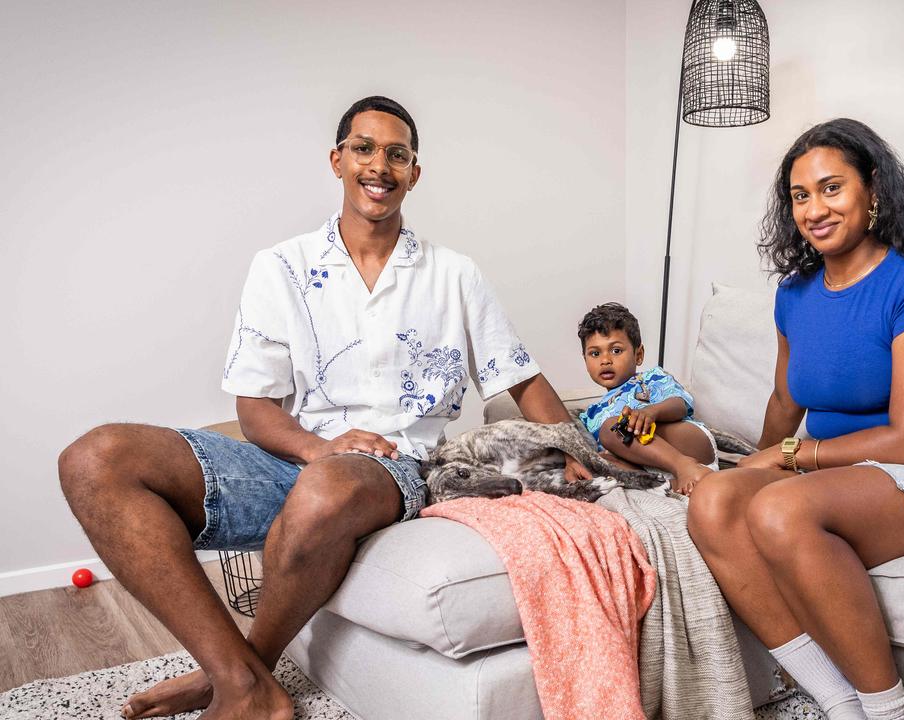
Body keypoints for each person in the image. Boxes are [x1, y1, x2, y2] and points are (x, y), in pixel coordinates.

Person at [57, 95, 591, 720]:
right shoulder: (280, 266)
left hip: (397, 467)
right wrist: (317, 448)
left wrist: (585, 454)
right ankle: (240, 682)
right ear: (337, 160)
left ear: (415, 174)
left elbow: (521, 381)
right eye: (364, 149)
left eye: (399, 154)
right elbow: (256, 408)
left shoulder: (455, 274)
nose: (380, 165)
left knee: (327, 486)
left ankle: (236, 678)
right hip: (295, 458)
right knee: (95, 459)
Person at [687, 118, 904, 720]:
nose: (813, 209)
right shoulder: (794, 294)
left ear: (873, 188)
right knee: (714, 502)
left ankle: (888, 712)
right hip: (836, 475)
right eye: (800, 196)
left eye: (832, 188)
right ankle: (833, 703)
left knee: (780, 507)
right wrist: (747, 464)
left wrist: (791, 458)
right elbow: (784, 406)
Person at [576, 302, 717, 495]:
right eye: (595, 353)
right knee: (602, 458)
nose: (605, 360)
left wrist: (651, 412)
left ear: (638, 354)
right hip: (648, 468)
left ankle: (683, 465)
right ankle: (670, 485)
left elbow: (681, 404)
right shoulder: (590, 415)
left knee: (614, 427)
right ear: (585, 360)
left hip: (688, 445)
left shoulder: (650, 378)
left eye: (616, 350)